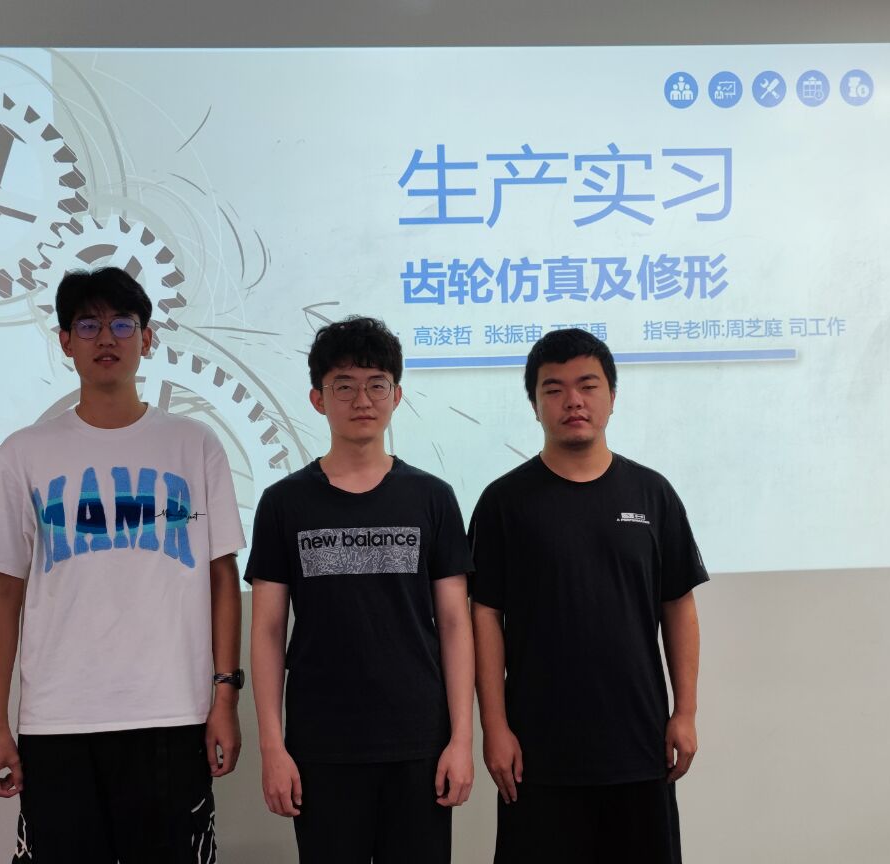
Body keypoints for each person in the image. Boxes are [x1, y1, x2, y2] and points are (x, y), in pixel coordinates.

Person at [0, 266, 246, 864]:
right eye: (88, 325)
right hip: (58, 720)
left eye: (122, 323)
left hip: (172, 712)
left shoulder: (194, 445)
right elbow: (1, 591)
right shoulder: (24, 453)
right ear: (65, 341)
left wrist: (225, 697)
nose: (106, 338)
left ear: (147, 338)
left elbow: (221, 577)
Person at [469, 328, 706, 864]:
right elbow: (485, 615)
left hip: (640, 744)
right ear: (534, 404)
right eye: (553, 389)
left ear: (611, 397)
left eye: (588, 385)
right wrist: (495, 726)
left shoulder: (653, 494)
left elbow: (678, 606)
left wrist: (686, 711)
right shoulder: (504, 502)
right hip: (538, 753)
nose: (572, 400)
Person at [247, 316, 475, 863]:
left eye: (377, 384)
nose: (362, 400)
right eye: (344, 386)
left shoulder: (432, 498)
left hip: (418, 744)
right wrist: (272, 746)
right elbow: (268, 630)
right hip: (321, 747)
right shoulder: (284, 503)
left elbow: (454, 623)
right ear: (317, 398)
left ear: (397, 395)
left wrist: (461, 740)